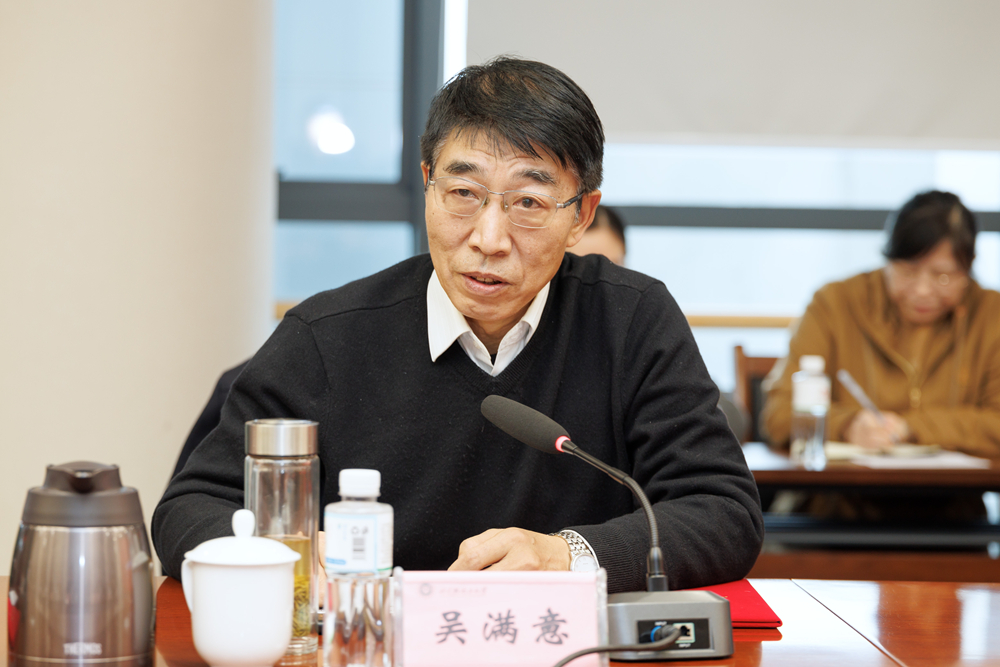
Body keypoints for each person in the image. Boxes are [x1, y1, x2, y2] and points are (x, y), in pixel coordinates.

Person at [153, 57, 763, 593]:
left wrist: (567, 555)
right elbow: (191, 508)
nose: (489, 239)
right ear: (428, 184)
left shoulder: (631, 320)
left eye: (528, 203)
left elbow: (724, 510)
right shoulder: (327, 336)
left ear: (581, 216)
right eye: (464, 193)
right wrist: (293, 559)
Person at [761, 190, 1000, 518]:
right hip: (834, 514)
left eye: (942, 275)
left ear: (968, 268)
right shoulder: (836, 303)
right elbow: (777, 414)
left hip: (954, 517)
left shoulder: (991, 314)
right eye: (907, 270)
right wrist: (848, 425)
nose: (922, 290)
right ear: (887, 259)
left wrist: (911, 427)